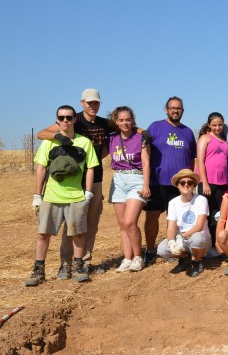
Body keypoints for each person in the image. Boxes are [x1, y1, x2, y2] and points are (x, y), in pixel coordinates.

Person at [36, 88, 111, 272]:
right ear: (82, 103)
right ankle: (66, 262)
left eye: (96, 102)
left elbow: (128, 126)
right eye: (89, 102)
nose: (93, 106)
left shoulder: (104, 123)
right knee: (72, 226)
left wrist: (144, 132)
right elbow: (41, 133)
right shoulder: (71, 118)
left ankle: (85, 262)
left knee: (90, 223)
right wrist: (58, 136)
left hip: (95, 178)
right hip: (71, 181)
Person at [26, 105, 100, 286]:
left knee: (78, 234)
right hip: (52, 196)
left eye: (69, 117)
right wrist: (38, 195)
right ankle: (38, 270)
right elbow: (41, 168)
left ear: (75, 119)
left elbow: (90, 168)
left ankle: (78, 267)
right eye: (61, 118)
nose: (65, 120)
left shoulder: (84, 142)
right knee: (44, 233)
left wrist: (88, 192)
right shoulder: (49, 143)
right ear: (57, 120)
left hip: (76, 196)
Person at [144, 97, 197, 264]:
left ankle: (174, 249)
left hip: (179, 184)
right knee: (152, 216)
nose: (176, 111)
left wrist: (189, 180)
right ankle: (150, 250)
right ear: (166, 110)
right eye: (172, 108)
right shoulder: (155, 127)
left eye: (179, 108)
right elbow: (145, 150)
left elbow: (192, 158)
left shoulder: (188, 132)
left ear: (183, 111)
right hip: (157, 181)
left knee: (174, 218)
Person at [107, 106, 151, 272]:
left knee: (130, 221)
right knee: (121, 223)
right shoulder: (111, 138)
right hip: (118, 179)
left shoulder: (141, 137)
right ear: (116, 122)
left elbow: (146, 162)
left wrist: (146, 185)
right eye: (121, 120)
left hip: (137, 178)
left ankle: (138, 256)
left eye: (128, 119)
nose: (125, 123)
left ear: (133, 120)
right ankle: (127, 258)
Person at [156, 169, 211, 278]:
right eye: (182, 183)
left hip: (199, 237)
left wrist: (181, 237)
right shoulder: (173, 203)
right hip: (181, 239)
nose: (186, 185)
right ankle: (184, 258)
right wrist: (172, 241)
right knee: (162, 249)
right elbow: (171, 227)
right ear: (178, 186)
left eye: (190, 183)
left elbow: (199, 226)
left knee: (197, 239)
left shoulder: (201, 200)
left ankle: (197, 261)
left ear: (194, 186)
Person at [196, 112, 228, 243]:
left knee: (218, 214)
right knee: (205, 214)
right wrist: (204, 182)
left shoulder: (224, 140)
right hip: (208, 182)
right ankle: (205, 243)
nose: (217, 127)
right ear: (209, 125)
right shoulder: (205, 138)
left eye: (220, 125)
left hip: (222, 182)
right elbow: (200, 160)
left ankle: (216, 244)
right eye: (214, 125)